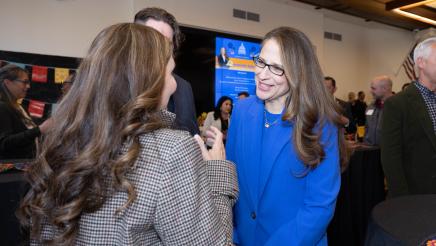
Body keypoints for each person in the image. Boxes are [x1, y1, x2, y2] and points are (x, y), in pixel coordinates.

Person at [18, 23, 238, 245]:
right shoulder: (171, 149)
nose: (174, 86)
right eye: (170, 73)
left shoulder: (61, 139)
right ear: (146, 80)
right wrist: (217, 175)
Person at [227, 27, 348, 245]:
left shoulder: (320, 123)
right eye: (261, 62)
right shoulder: (242, 111)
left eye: (276, 68)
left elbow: (319, 205)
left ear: (297, 73)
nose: (262, 74)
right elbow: (232, 182)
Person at [381, 37, 436, 198]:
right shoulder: (397, 104)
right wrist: (403, 201)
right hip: (416, 196)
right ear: (421, 62)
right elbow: (391, 158)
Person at [134, 7, 199, 136]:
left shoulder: (184, 87)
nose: (160, 49)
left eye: (167, 43)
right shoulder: (116, 85)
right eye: (154, 40)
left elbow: (193, 134)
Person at [0, 65, 51, 160]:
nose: (28, 86)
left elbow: (27, 136)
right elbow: (4, 143)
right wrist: (39, 130)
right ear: (7, 83)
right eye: (25, 82)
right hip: (12, 170)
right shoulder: (2, 107)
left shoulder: (21, 107)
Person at [363, 75, 393, 146]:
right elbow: (367, 127)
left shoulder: (397, 107)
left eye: (373, 88)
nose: (370, 91)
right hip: (370, 150)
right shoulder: (370, 107)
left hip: (388, 152)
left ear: (384, 89)